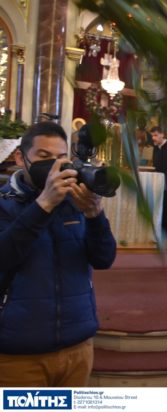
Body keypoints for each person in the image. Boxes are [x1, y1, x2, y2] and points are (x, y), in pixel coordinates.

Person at [0, 122, 116, 387]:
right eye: (44, 157)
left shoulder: (74, 201)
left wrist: (94, 215)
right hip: (18, 353)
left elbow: (104, 259)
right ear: (20, 158)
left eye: (61, 158)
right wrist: (44, 204)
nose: (55, 166)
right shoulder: (4, 203)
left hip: (78, 346)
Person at [151, 126, 167, 237]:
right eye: (152, 136)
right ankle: (158, 230)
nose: (153, 138)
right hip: (158, 183)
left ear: (162, 134)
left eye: (155, 135)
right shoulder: (156, 148)